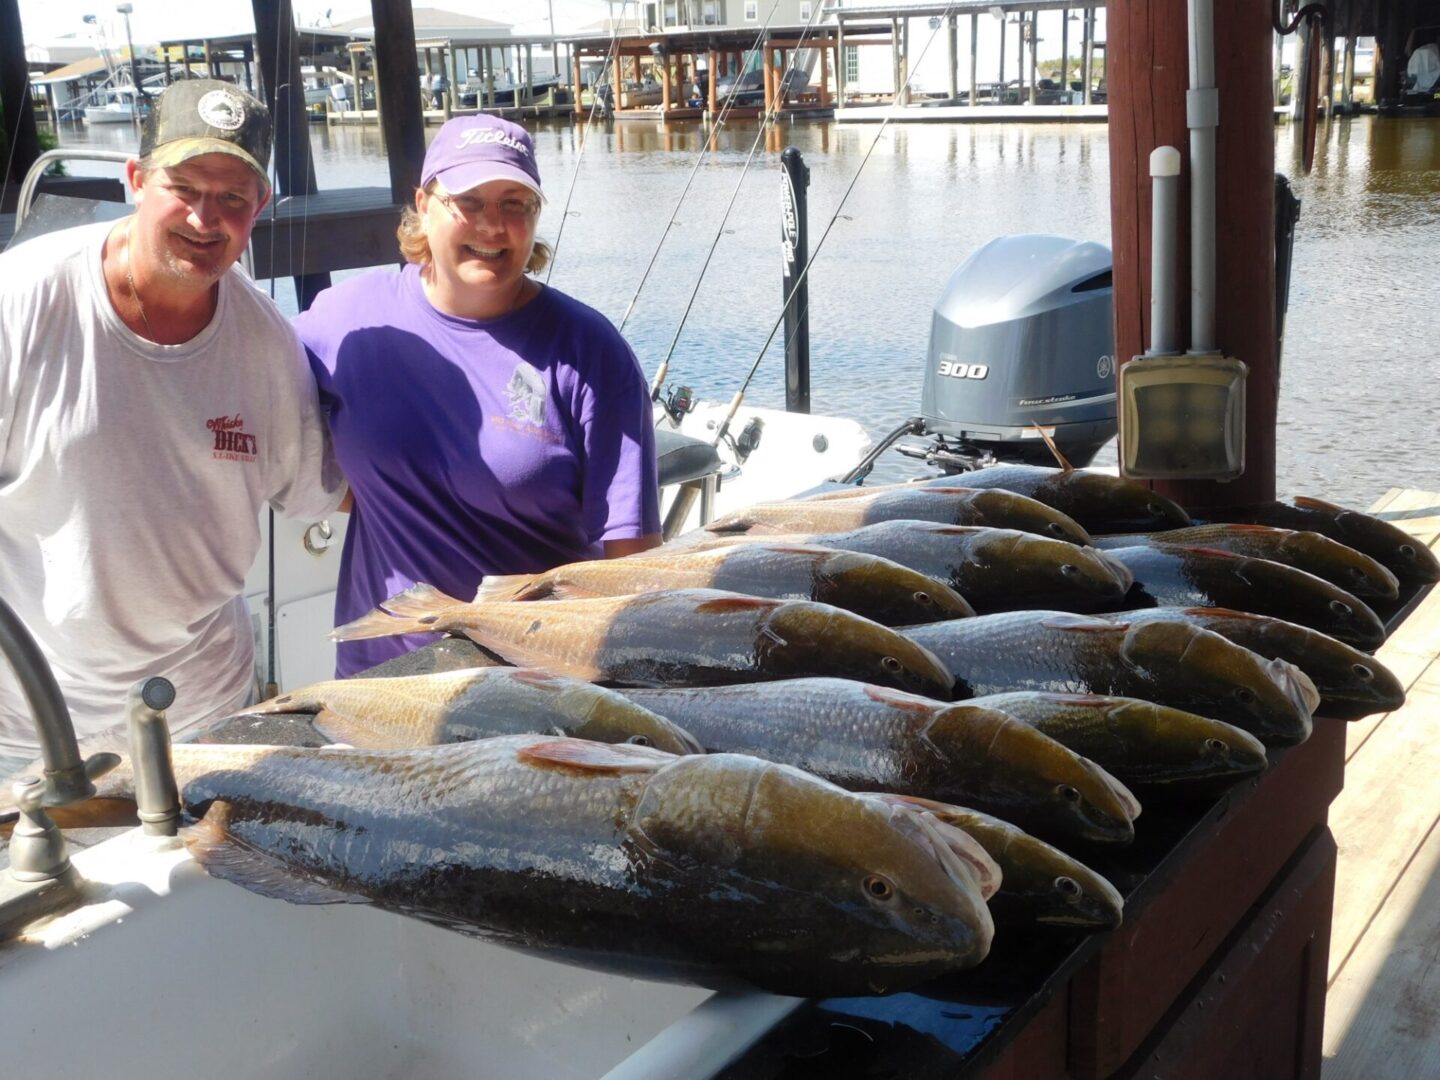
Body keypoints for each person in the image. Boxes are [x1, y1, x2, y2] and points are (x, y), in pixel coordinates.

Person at [0, 79, 345, 767]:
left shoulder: (269, 346)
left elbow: (324, 492)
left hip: (207, 712)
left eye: (231, 199)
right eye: (183, 187)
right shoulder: (22, 300)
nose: (203, 217)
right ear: (135, 179)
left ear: (259, 208)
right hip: (25, 726)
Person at [294, 114, 661, 677]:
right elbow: (246, 399)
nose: (493, 226)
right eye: (469, 201)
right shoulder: (343, 321)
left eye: (516, 204)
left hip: (534, 688)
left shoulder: (590, 351)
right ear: (423, 204)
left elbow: (632, 565)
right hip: (380, 688)